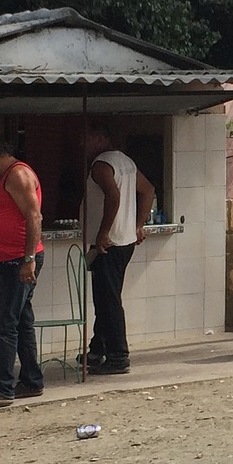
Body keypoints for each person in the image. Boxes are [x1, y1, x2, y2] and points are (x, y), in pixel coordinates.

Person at [0, 140, 45, 407]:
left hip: (18, 261)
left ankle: (1, 388)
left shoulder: (18, 175)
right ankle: (31, 380)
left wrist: (29, 260)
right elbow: (5, 221)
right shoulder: (7, 179)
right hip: (10, 258)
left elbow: (33, 216)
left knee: (5, 323)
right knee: (21, 322)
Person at [81, 120, 156, 375]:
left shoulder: (101, 165)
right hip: (124, 241)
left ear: (101, 138)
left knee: (107, 301)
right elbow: (149, 191)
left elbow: (113, 196)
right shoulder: (125, 161)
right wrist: (137, 225)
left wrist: (102, 233)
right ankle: (98, 349)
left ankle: (118, 356)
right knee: (107, 298)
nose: (83, 143)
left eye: (87, 137)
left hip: (108, 244)